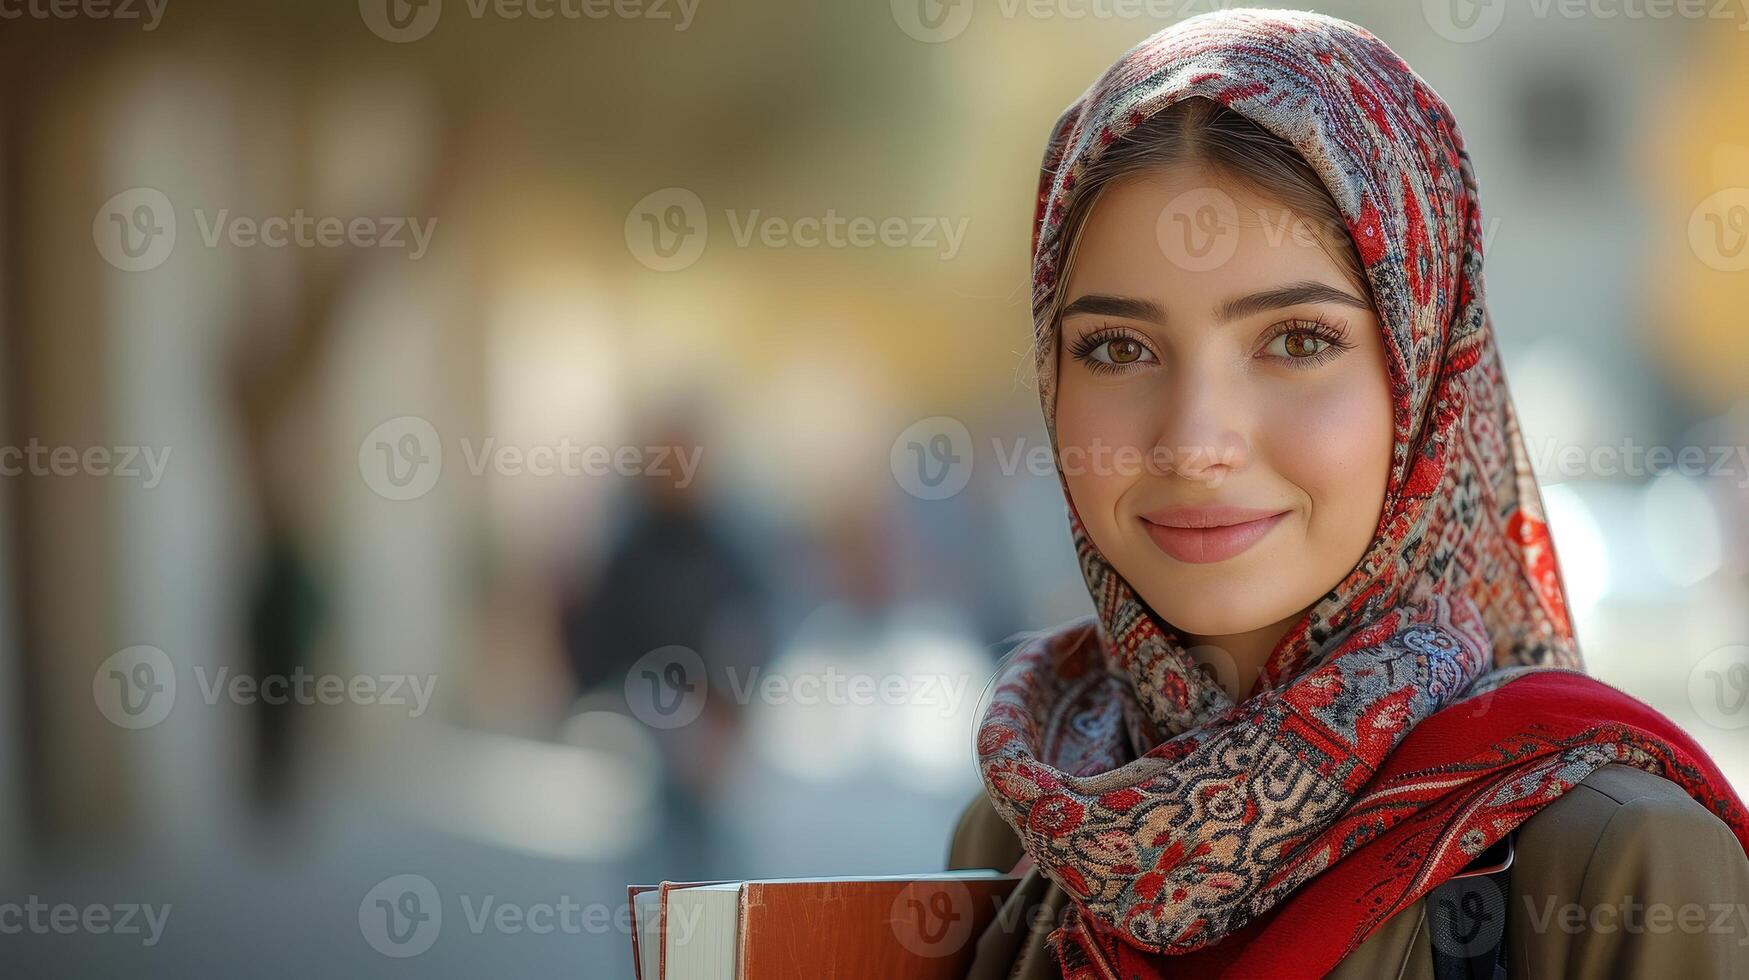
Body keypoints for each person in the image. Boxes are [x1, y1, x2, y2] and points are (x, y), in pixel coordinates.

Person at [947, 10, 1749, 979]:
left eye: (1296, 340)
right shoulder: (1022, 831)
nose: (1197, 442)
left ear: (1424, 382)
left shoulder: (1609, 858)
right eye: (1119, 348)